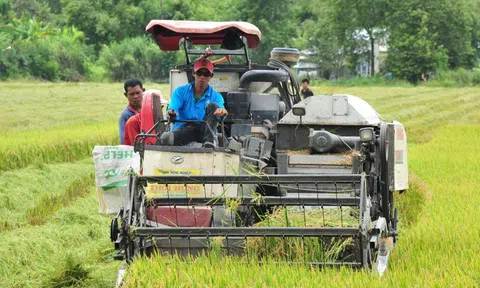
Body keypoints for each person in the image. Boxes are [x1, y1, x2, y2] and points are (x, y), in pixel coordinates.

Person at [162, 57, 228, 148]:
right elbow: (173, 108)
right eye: (199, 73)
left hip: (205, 131)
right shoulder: (180, 92)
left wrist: (221, 111)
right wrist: (171, 113)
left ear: (211, 76)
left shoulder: (216, 96)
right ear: (193, 73)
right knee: (166, 138)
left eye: (206, 74)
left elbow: (221, 110)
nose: (202, 77)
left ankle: (209, 144)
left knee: (214, 106)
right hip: (184, 129)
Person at [119, 78, 144, 144]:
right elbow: (124, 140)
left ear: (143, 91)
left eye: (138, 93)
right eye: (132, 94)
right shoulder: (126, 115)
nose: (135, 96)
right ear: (126, 95)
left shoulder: (148, 111)